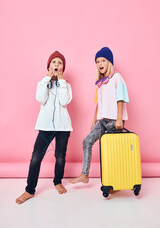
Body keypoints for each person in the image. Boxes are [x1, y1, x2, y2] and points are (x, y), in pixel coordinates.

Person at [16, 51, 72, 204]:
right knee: (36, 157)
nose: (57, 65)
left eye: (60, 63)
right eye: (54, 62)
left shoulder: (66, 85)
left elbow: (64, 102)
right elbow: (41, 98)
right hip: (45, 126)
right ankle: (29, 190)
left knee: (60, 157)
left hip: (63, 126)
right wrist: (47, 78)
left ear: (63, 68)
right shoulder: (42, 83)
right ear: (49, 66)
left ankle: (58, 181)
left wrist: (61, 81)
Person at [69, 47, 129, 184]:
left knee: (112, 152)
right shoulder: (100, 83)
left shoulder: (117, 77)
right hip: (102, 121)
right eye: (97, 61)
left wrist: (119, 118)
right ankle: (85, 174)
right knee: (87, 141)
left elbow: (121, 98)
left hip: (114, 120)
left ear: (109, 62)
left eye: (103, 60)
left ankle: (115, 181)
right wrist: (93, 120)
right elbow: (98, 103)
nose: (100, 63)